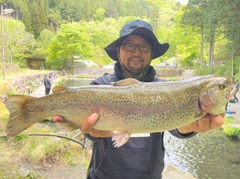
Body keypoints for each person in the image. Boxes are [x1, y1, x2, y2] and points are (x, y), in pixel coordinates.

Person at [53, 19, 225, 179]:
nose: (136, 52)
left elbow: (177, 129)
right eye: (129, 45)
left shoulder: (167, 90)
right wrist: (94, 134)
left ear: (151, 53)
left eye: (144, 46)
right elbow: (92, 132)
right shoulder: (100, 86)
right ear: (118, 50)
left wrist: (192, 124)